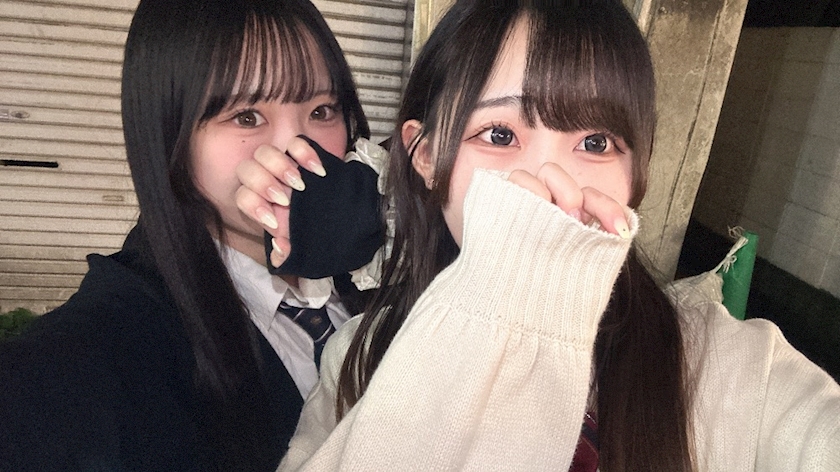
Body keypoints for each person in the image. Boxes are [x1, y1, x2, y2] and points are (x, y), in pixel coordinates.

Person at [235, 0, 840, 470]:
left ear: (638, 175)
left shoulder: (734, 366)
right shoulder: (356, 361)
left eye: (596, 142)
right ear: (426, 157)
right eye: (499, 135)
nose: (547, 182)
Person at [0, 0, 383, 469]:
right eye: (246, 116)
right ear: (169, 134)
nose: (297, 150)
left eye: (322, 110)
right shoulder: (85, 363)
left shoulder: (374, 270)